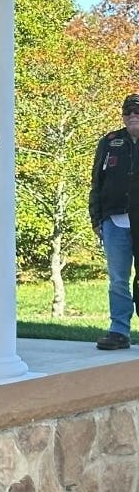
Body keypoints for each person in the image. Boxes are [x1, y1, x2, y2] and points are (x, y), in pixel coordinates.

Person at [90, 93, 139, 350]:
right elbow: (97, 182)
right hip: (115, 222)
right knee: (118, 279)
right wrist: (96, 218)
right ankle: (119, 331)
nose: (133, 115)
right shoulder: (110, 142)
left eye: (137, 111)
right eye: (128, 111)